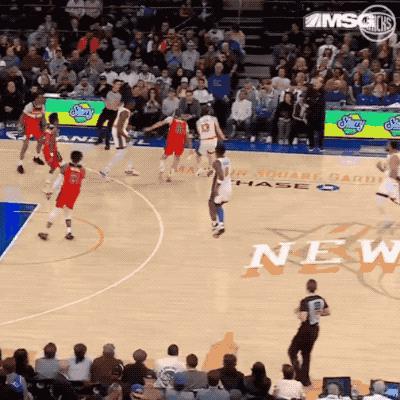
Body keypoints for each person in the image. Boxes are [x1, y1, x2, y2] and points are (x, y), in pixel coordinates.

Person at [288, 279, 330, 387]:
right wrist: (317, 314)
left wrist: (299, 313)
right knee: (306, 354)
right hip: (315, 330)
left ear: (307, 288)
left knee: (292, 351)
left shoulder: (305, 301)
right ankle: (305, 380)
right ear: (316, 288)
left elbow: (303, 317)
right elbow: (327, 312)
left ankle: (299, 375)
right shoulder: (320, 299)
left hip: (305, 330)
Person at [38, 151, 85, 241]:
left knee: (56, 211)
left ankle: (45, 232)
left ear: (71, 157)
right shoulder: (83, 170)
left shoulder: (66, 167)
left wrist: (50, 191)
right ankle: (69, 232)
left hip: (65, 192)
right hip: (75, 193)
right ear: (80, 159)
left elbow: (58, 181)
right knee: (68, 211)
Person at [100, 102, 140, 178]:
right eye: (132, 103)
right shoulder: (125, 112)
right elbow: (119, 128)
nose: (133, 105)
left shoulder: (122, 109)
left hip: (120, 130)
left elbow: (121, 123)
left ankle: (129, 168)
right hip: (119, 132)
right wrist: (126, 136)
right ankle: (105, 170)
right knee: (121, 153)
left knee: (129, 148)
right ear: (128, 104)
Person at [144, 116, 189, 182]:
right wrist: (185, 144)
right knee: (177, 159)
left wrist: (150, 128)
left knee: (163, 158)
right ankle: (170, 175)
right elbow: (186, 135)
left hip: (171, 142)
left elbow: (160, 123)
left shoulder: (171, 119)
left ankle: (161, 173)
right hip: (180, 142)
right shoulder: (185, 124)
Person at [17, 93, 46, 174]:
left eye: (43, 98)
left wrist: (44, 126)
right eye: (41, 98)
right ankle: (20, 164)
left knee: (40, 141)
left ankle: (36, 158)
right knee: (25, 145)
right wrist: (20, 126)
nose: (43, 99)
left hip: (36, 126)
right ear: (36, 99)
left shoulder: (43, 106)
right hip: (27, 127)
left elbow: (43, 117)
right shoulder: (29, 106)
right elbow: (22, 116)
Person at [209, 144, 232, 238]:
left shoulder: (216, 162)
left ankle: (217, 225)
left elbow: (221, 176)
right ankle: (219, 224)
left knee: (212, 203)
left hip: (221, 187)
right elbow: (222, 171)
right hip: (228, 186)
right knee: (217, 205)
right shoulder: (227, 160)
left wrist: (216, 188)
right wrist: (213, 172)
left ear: (216, 151)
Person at [376, 140, 400, 227]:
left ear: (391, 147)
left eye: (387, 145)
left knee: (395, 199)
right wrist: (381, 168)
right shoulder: (390, 155)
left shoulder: (394, 156)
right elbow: (389, 171)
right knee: (380, 197)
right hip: (389, 181)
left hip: (393, 182)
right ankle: (387, 220)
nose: (386, 146)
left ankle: (387, 220)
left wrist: (398, 182)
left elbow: (394, 172)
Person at [195, 106, 225, 176]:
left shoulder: (198, 121)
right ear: (209, 111)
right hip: (213, 140)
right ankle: (211, 169)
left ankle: (199, 169)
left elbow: (199, 132)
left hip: (204, 140)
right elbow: (218, 129)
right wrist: (222, 136)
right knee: (211, 154)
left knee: (198, 155)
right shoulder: (213, 118)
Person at [96, 79, 122, 150]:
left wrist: (117, 107)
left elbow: (122, 103)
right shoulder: (107, 90)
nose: (118, 85)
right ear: (113, 84)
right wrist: (105, 102)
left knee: (109, 128)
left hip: (113, 112)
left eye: (120, 84)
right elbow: (100, 96)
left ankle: (107, 144)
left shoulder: (121, 94)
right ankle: (101, 138)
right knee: (98, 125)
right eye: (117, 84)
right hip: (106, 111)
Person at [41, 113, 62, 194]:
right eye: (58, 120)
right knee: (60, 167)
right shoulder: (54, 129)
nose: (59, 121)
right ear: (56, 121)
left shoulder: (47, 127)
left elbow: (43, 139)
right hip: (51, 151)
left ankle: (48, 183)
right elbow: (51, 142)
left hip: (48, 150)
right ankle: (49, 186)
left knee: (56, 167)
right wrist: (52, 154)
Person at [304, 77, 326, 151]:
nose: (316, 84)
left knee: (320, 131)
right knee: (310, 130)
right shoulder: (309, 90)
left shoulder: (323, 91)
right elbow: (306, 101)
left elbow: (320, 103)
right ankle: (311, 145)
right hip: (311, 113)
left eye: (318, 82)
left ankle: (320, 145)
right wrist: (311, 102)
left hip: (320, 114)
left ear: (321, 84)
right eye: (315, 82)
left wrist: (311, 101)